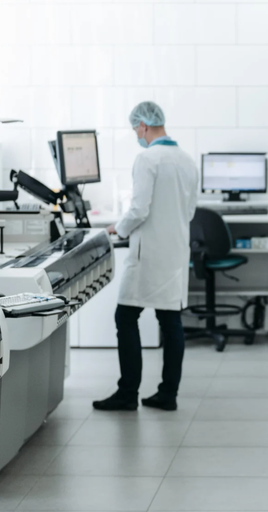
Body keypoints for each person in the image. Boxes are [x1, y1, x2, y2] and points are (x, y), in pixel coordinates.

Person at [93, 101, 198, 412]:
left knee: (125, 318)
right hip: (175, 253)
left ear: (143, 126)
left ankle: (128, 393)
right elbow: (190, 211)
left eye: (135, 129)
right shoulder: (187, 160)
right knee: (171, 321)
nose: (136, 135)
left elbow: (138, 209)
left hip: (148, 255)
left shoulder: (147, 159)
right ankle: (168, 394)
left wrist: (119, 228)